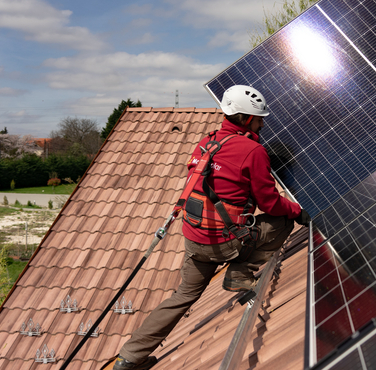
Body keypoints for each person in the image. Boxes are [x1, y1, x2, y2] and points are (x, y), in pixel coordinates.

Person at [114, 85, 310, 370]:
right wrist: (299, 211)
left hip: (194, 239)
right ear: (244, 118)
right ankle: (240, 272)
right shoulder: (253, 151)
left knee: (183, 296)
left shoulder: (207, 142)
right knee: (282, 221)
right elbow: (270, 203)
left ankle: (129, 357)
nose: (263, 123)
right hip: (226, 242)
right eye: (259, 119)